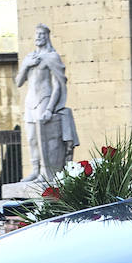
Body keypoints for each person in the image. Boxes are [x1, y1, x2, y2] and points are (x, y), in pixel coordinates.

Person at [15, 23, 79, 180]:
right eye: (37, 34)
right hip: (30, 100)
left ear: (47, 37)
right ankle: (35, 170)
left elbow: (58, 84)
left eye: (42, 34)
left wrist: (50, 108)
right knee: (31, 138)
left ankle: (45, 172)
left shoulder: (52, 56)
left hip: (44, 98)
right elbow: (18, 81)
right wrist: (26, 66)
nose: (38, 37)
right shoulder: (29, 58)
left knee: (43, 137)